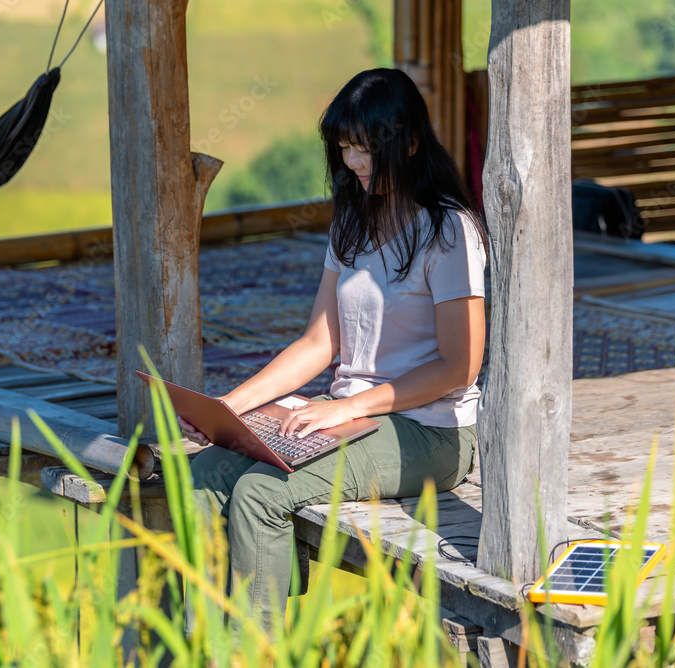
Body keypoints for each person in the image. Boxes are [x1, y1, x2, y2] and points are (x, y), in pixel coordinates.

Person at [181, 67, 488, 633]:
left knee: (259, 494)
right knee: (201, 478)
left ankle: (259, 648)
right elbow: (320, 342)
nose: (355, 164)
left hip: (428, 431)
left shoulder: (450, 231)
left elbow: (460, 365)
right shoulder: (352, 219)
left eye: (367, 150)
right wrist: (232, 406)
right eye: (346, 148)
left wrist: (348, 407)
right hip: (348, 420)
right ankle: (204, 641)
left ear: (411, 143)